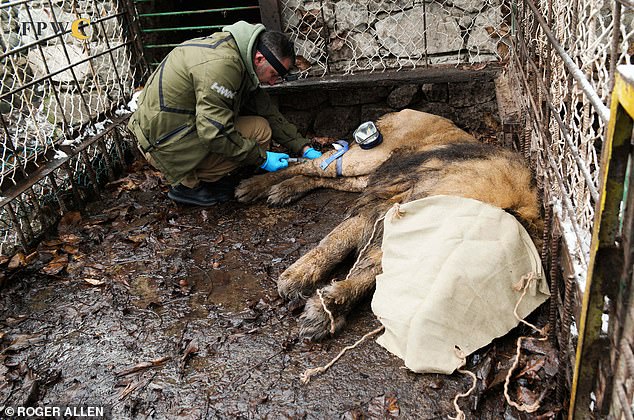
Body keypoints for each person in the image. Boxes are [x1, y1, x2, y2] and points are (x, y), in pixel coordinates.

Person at [127, 21, 322, 206]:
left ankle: (208, 173)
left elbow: (266, 110)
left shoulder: (237, 54)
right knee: (259, 132)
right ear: (259, 59)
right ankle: (188, 185)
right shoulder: (224, 66)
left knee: (260, 125)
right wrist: (261, 158)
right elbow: (214, 133)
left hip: (170, 130)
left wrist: (302, 148)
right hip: (162, 146)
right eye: (274, 75)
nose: (273, 82)